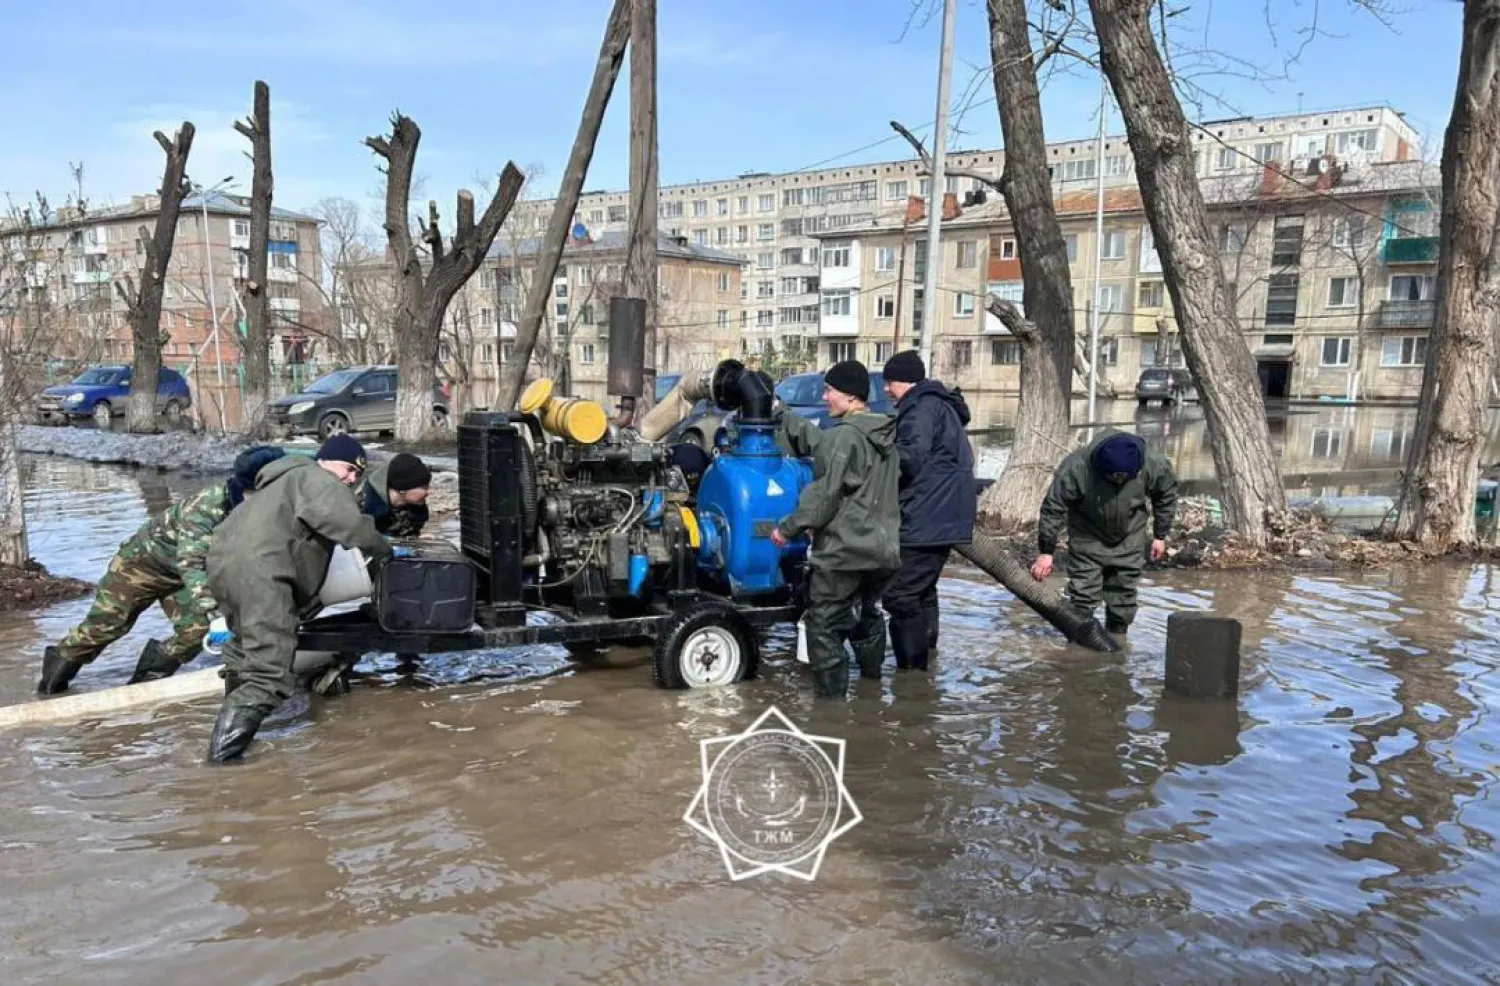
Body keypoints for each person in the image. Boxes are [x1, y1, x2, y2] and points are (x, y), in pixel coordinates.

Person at [203, 435, 397, 763]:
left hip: (224, 567)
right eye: (349, 469)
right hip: (263, 574)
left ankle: (236, 740)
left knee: (242, 657)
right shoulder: (317, 479)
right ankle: (221, 762)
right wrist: (385, 548)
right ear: (327, 459)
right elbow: (350, 526)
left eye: (358, 475)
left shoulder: (279, 482)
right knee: (270, 674)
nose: (351, 479)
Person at [36, 445, 288, 695]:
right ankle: (49, 689)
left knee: (197, 631)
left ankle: (142, 690)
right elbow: (192, 563)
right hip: (139, 568)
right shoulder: (205, 508)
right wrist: (216, 614)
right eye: (256, 494)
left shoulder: (264, 507)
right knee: (105, 627)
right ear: (244, 488)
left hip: (179, 576)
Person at [770, 360, 901, 698]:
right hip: (883, 552)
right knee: (867, 616)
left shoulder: (845, 437)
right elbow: (828, 450)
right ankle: (872, 691)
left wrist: (788, 528)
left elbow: (825, 495)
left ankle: (831, 711)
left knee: (823, 627)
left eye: (829, 390)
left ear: (851, 397)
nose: (825, 396)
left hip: (846, 551)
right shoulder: (884, 434)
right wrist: (785, 417)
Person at [879, 350, 975, 671]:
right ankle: (928, 664)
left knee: (899, 596)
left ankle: (911, 675)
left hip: (925, 519)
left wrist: (875, 459)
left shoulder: (920, 410)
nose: (885, 390)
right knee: (922, 591)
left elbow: (909, 458)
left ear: (903, 382)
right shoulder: (940, 406)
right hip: (946, 516)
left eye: (888, 383)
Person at [1030, 428, 1178, 634]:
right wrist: (1046, 552)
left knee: (1123, 597)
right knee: (1083, 596)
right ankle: (1080, 643)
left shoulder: (1154, 464)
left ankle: (1117, 643)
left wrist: (1160, 535)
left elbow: (1166, 496)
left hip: (1130, 535)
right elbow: (1053, 508)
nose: (1118, 482)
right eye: (1114, 477)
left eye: (1124, 478)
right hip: (1087, 535)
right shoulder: (1077, 468)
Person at [358, 452, 432, 537]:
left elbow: (405, 535)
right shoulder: (365, 506)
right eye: (424, 487)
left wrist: (417, 541)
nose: (429, 491)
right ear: (403, 489)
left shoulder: (414, 509)